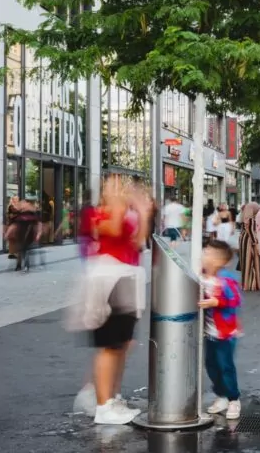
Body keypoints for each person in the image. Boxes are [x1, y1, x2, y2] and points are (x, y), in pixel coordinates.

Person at [88, 176, 149, 425]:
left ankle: (112, 398)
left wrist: (142, 213)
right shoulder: (98, 214)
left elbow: (139, 243)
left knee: (122, 343)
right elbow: (110, 230)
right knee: (110, 345)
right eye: (113, 186)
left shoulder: (128, 213)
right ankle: (103, 406)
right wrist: (119, 204)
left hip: (127, 277)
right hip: (108, 280)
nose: (120, 190)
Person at [199, 240, 243, 421]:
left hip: (225, 333)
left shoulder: (225, 279)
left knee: (225, 366)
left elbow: (235, 300)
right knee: (211, 365)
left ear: (220, 261)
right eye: (205, 252)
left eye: (209, 253)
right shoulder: (201, 276)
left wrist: (216, 302)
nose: (204, 255)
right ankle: (221, 395)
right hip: (210, 332)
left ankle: (234, 399)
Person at [238, 202, 260, 291]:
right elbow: (251, 232)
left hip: (243, 240)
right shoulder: (251, 220)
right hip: (249, 241)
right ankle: (253, 284)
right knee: (253, 262)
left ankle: (245, 284)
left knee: (245, 262)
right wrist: (255, 243)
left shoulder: (244, 218)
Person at [79, 190, 97, 262]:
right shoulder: (91, 208)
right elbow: (93, 223)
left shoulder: (83, 208)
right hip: (89, 235)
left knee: (84, 257)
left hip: (83, 235)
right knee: (91, 257)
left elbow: (80, 221)